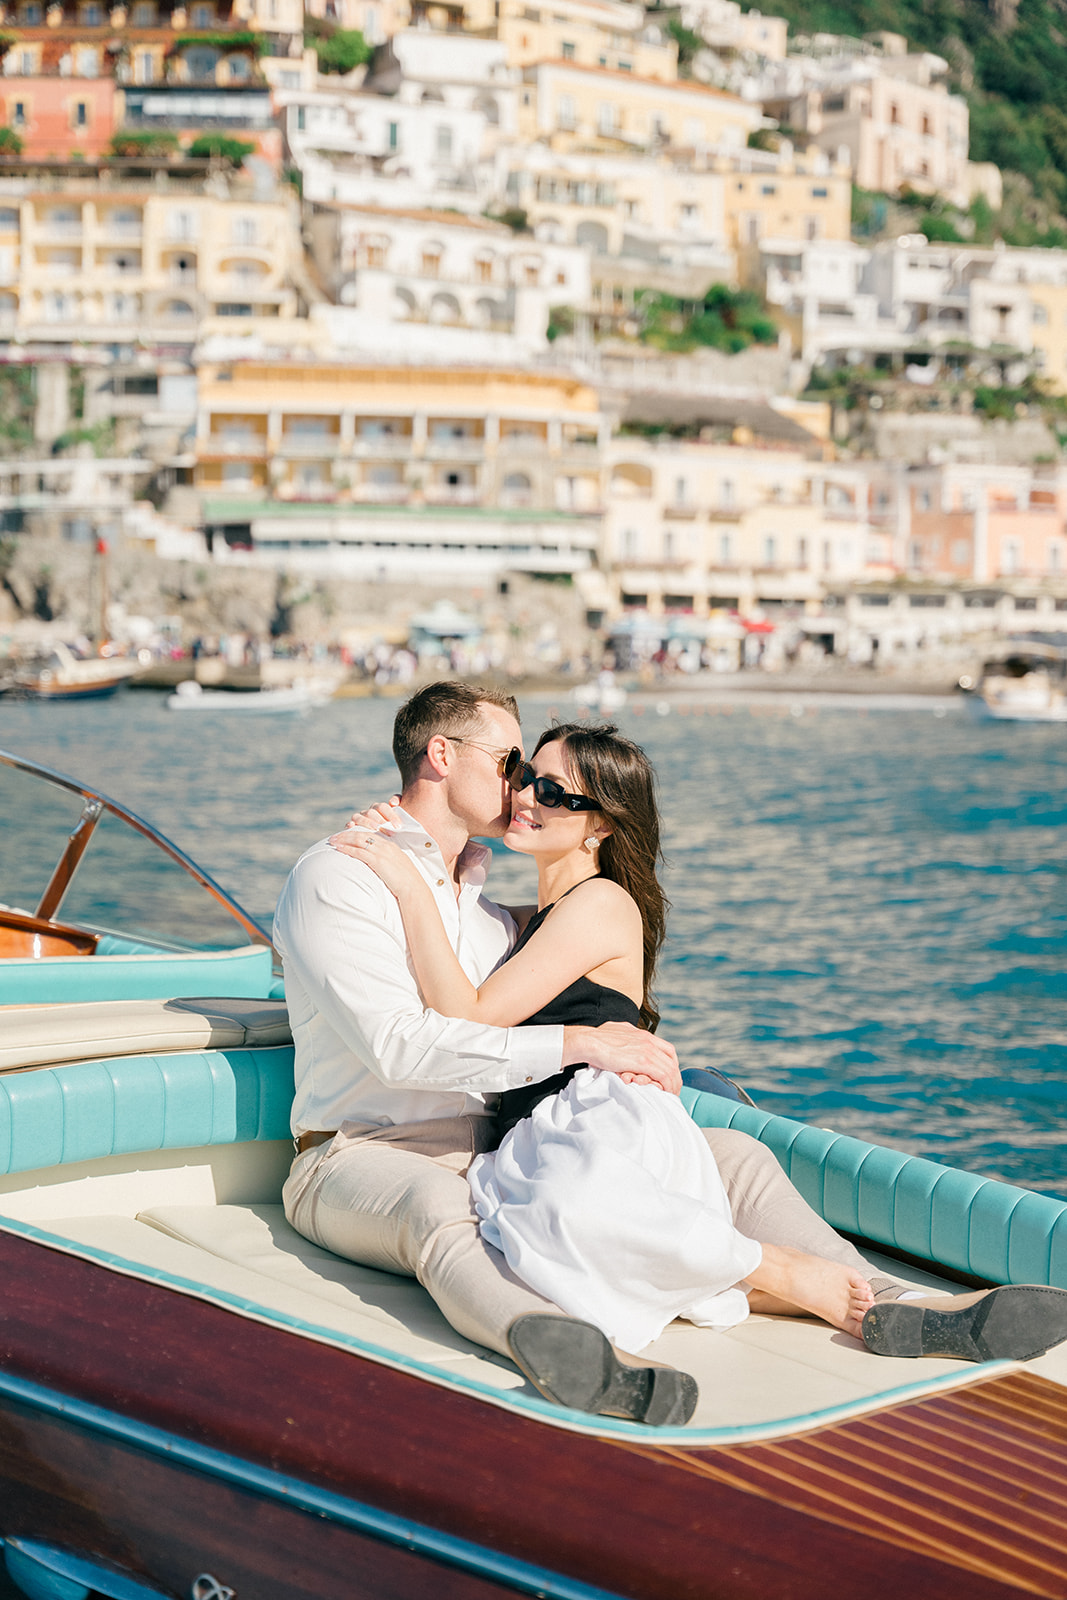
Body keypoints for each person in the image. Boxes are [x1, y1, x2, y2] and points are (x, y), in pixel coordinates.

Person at [335, 721, 877, 1362]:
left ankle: (776, 1268)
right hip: (543, 1126)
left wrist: (404, 881)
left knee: (577, 1217)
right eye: (526, 777)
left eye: (557, 794)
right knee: (549, 1261)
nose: (529, 797)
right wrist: (418, 843)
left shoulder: (600, 903)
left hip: (598, 1115)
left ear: (601, 825)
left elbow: (469, 1012)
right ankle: (757, 1289)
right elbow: (465, 924)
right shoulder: (538, 918)